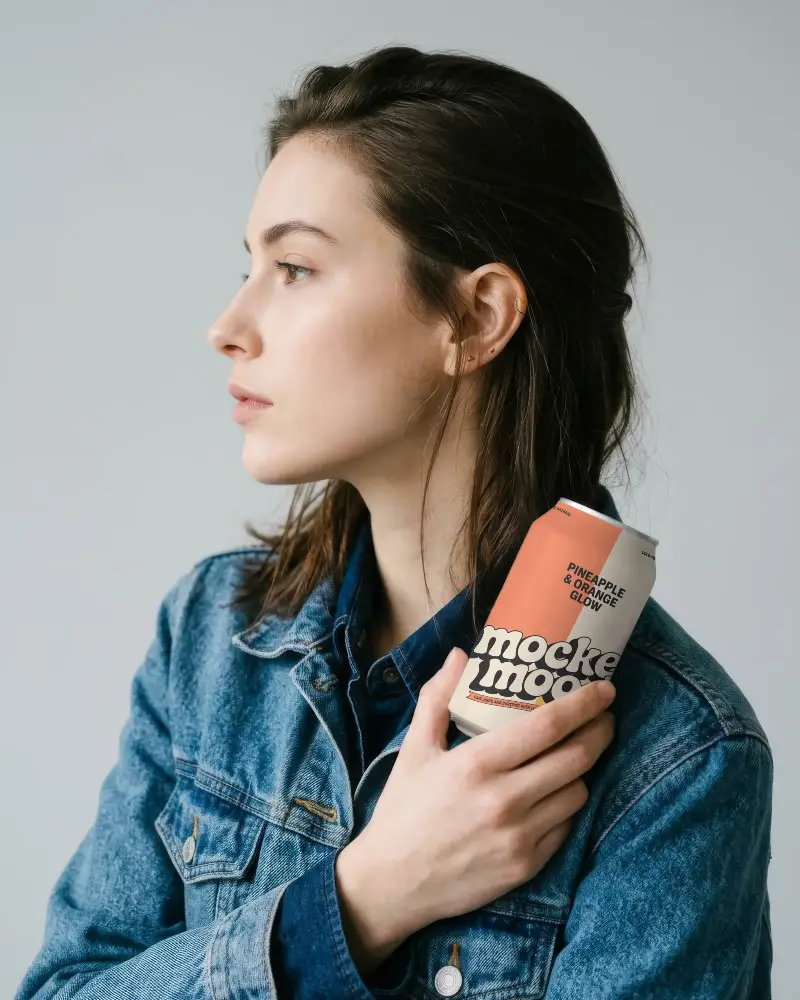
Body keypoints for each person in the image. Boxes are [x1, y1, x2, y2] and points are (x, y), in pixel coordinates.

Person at [16, 43, 772, 1000]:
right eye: (248, 265)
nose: (228, 323)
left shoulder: (680, 760)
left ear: (476, 317)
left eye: (293, 268)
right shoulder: (210, 638)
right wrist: (362, 901)